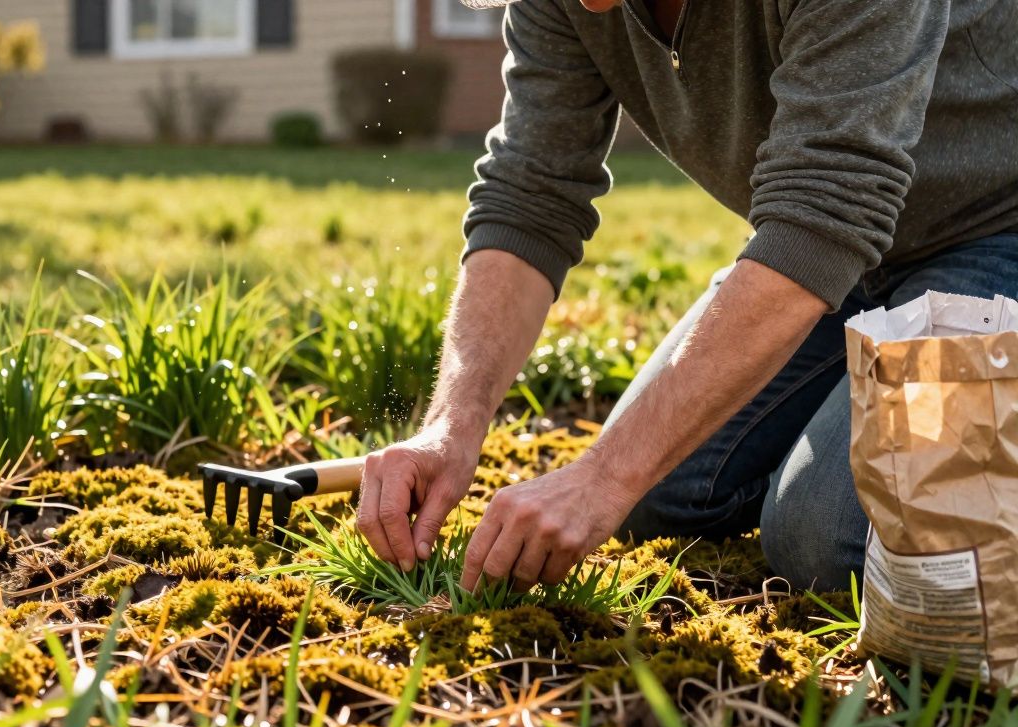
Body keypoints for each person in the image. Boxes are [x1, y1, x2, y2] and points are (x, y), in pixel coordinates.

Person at [356, 0, 1018, 592]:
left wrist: (603, 477)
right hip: (850, 260)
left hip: (994, 227)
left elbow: (823, 214)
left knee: (824, 536)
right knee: (664, 494)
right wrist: (454, 422)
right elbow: (530, 196)